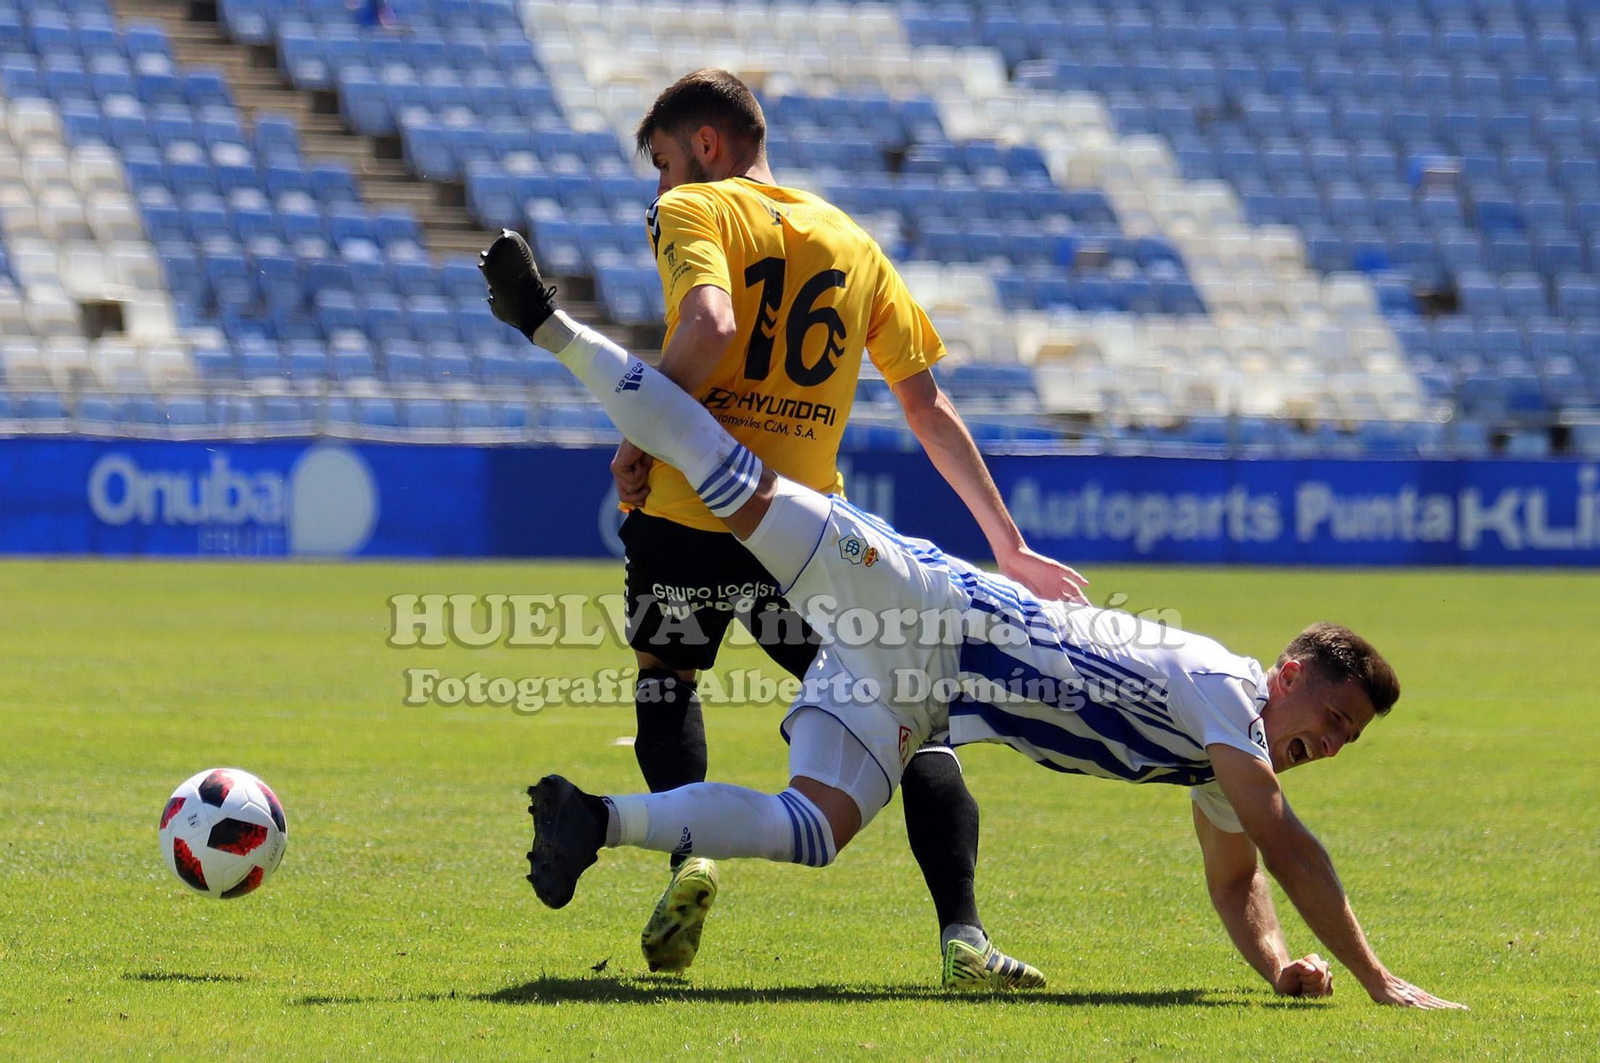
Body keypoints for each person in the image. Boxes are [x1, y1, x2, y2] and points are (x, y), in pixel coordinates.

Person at [481, 230, 1466, 1008]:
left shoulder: (1226, 759)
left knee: (812, 827)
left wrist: (1281, 964)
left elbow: (1238, 879)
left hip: (919, 692)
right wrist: (1380, 980)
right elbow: (1286, 846)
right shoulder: (1227, 697)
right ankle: (547, 323)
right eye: (1332, 720)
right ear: (1290, 674)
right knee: (735, 483)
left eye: (1345, 739)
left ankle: (591, 818)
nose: (1329, 746)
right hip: (927, 601)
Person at [601, 70, 1085, 985]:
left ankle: (690, 855)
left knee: (668, 681)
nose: (660, 188)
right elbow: (928, 405)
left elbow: (708, 323)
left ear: (705, 146)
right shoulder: (853, 242)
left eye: (663, 162)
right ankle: (965, 937)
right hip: (801, 536)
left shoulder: (696, 209)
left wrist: (638, 433)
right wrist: (1007, 541)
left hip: (683, 514)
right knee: (913, 715)